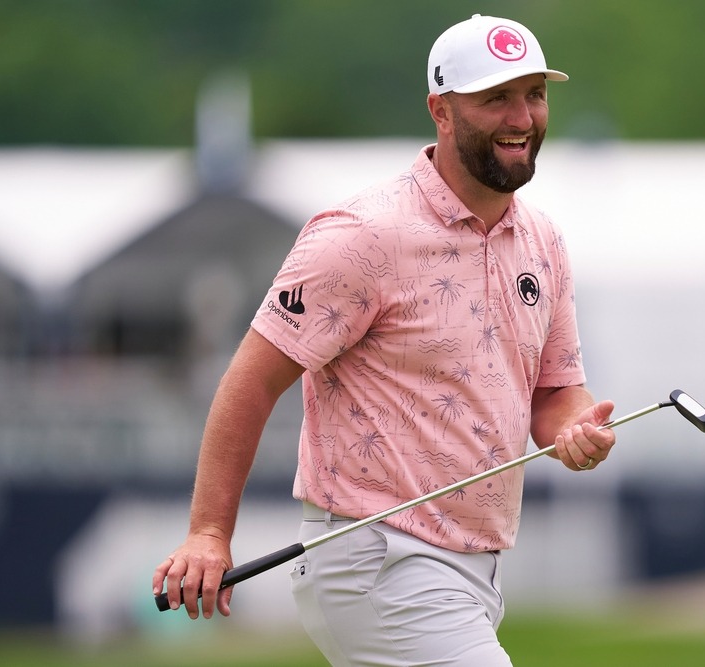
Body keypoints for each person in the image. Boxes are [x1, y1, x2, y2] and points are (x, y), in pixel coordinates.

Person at [153, 13, 616, 666]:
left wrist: (575, 428)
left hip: (473, 571)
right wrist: (207, 532)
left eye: (534, 95)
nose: (522, 117)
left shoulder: (541, 241)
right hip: (377, 559)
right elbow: (252, 381)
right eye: (496, 98)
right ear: (442, 111)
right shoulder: (362, 235)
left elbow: (556, 391)